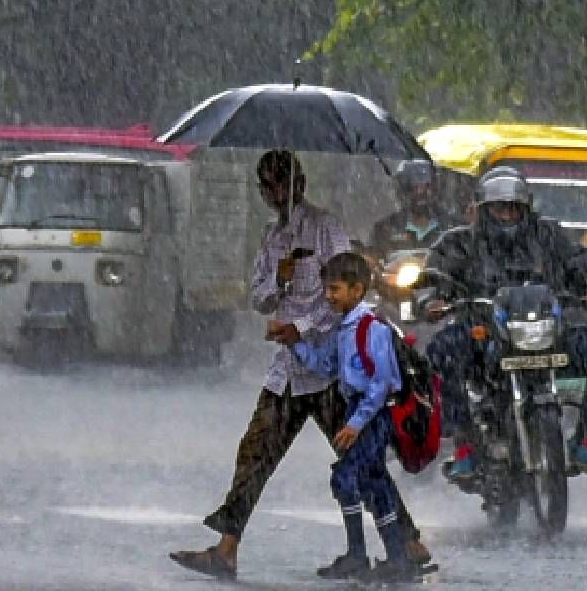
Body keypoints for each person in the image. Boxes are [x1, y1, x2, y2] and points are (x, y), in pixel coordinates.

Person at [169, 149, 430, 580]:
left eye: (283, 183)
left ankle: (408, 541)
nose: (277, 193)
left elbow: (348, 296)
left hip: (332, 371)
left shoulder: (328, 230)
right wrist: (282, 278)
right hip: (289, 371)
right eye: (268, 186)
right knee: (255, 455)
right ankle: (227, 548)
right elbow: (258, 298)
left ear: (299, 183)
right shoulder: (273, 239)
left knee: (360, 460)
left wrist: (303, 326)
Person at [424, 166, 587, 480]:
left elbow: (584, 263)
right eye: (499, 208)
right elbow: (434, 277)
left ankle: (585, 439)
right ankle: (463, 446)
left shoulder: (549, 234)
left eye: (514, 208)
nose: (507, 215)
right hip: (484, 337)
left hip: (548, 334)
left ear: (527, 208)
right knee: (441, 351)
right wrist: (434, 300)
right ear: (483, 209)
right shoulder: (460, 242)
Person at [267, 252, 422, 582]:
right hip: (357, 411)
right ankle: (396, 558)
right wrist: (295, 343)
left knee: (346, 478)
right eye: (327, 289)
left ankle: (359, 554)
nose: (329, 296)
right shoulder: (344, 330)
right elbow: (326, 366)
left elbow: (381, 385)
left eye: (335, 289)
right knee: (373, 483)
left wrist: (356, 424)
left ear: (358, 290)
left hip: (373, 417)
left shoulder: (373, 329)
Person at [369, 160, 464, 260]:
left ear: (433, 188)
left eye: (426, 186)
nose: (420, 191)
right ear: (403, 191)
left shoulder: (453, 227)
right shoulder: (384, 229)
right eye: (413, 187)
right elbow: (374, 262)